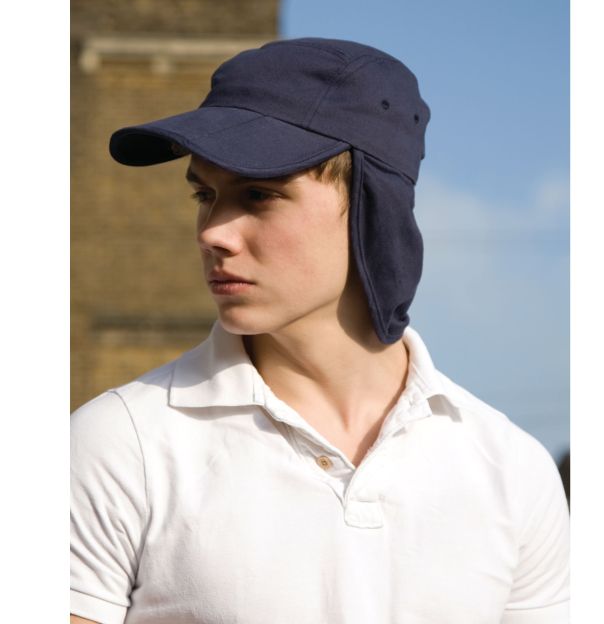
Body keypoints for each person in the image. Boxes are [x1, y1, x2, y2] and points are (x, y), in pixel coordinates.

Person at [71, 37, 569, 624]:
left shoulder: (511, 469)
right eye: (205, 194)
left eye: (259, 194)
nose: (212, 233)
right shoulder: (118, 444)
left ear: (372, 206)